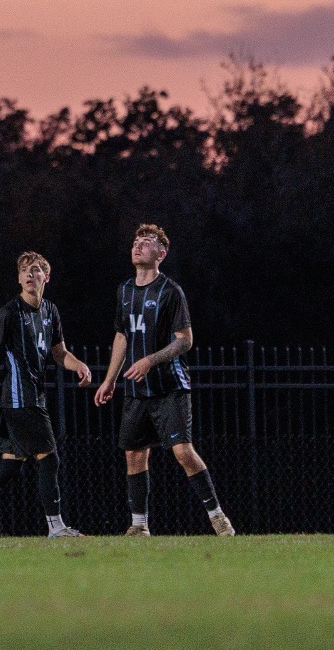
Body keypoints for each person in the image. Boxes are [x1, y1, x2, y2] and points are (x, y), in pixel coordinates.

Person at [92, 224, 233, 537]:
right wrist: (109, 380)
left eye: (147, 242)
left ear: (161, 254)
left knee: (182, 452)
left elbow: (185, 340)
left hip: (170, 386)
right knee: (134, 453)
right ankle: (139, 526)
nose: (139, 245)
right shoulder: (125, 290)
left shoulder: (171, 292)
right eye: (136, 240)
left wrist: (151, 360)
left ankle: (217, 517)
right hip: (136, 390)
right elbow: (121, 336)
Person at [0, 252, 92, 540]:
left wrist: (80, 366)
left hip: (30, 397)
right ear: (18, 278)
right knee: (49, 459)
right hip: (19, 398)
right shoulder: (10, 312)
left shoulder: (50, 311)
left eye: (35, 270)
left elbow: (59, 353)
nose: (29, 274)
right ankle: (56, 527)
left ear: (46, 277)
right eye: (24, 270)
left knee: (11, 465)